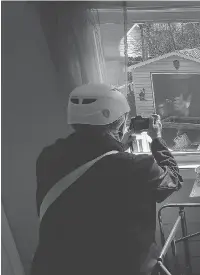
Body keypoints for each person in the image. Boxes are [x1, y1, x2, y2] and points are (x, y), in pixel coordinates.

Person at [31, 83, 183, 275]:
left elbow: (94, 172)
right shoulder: (137, 167)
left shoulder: (48, 157)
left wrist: (117, 146)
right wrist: (157, 139)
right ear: (120, 123)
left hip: (54, 266)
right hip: (118, 266)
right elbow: (173, 180)